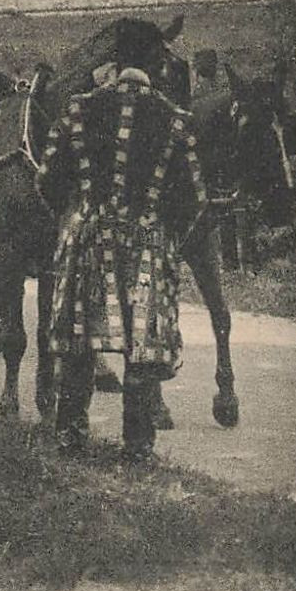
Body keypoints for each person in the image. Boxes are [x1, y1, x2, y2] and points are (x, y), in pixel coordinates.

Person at [38, 31, 205, 464]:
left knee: (78, 341)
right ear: (154, 70)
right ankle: (138, 443)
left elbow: (48, 181)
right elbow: (193, 199)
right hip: (148, 243)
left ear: (113, 65)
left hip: (88, 238)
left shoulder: (78, 109)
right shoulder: (175, 120)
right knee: (142, 346)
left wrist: (75, 217)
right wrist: (166, 235)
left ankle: (71, 434)